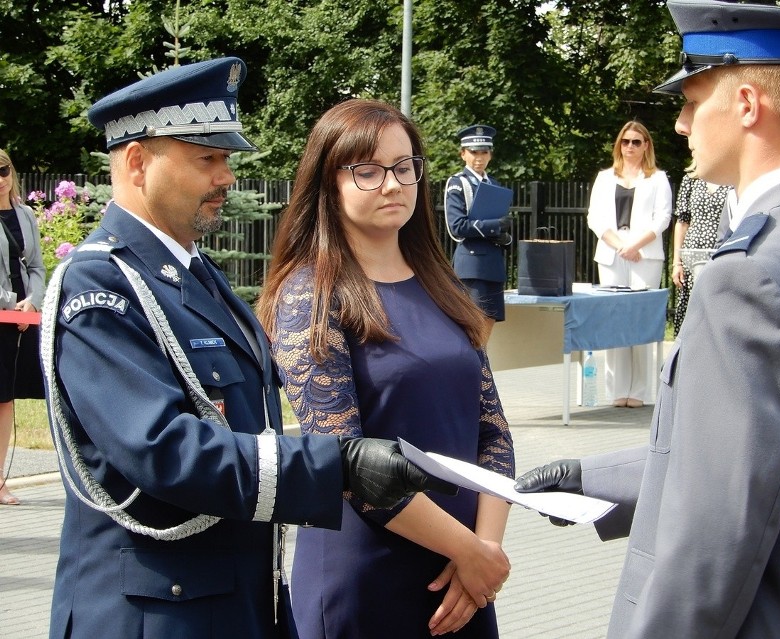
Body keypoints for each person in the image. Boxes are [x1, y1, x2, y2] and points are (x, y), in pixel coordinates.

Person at [42, 58, 454, 639]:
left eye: (227, 159)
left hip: (231, 605)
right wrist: (339, 464)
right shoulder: (101, 287)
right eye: (206, 159)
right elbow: (163, 448)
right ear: (137, 162)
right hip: (149, 615)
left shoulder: (200, 280)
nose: (227, 178)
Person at [515, 1, 780, 637]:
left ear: (747, 104)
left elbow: (715, 534)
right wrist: (589, 477)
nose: (681, 123)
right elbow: (770, 459)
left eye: (693, 100)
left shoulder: (745, 277)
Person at [255, 100, 515, 638]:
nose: (392, 184)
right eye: (368, 171)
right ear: (329, 183)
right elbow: (346, 462)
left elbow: (493, 434)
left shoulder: (442, 286)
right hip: (366, 576)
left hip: (458, 581)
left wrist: (484, 551)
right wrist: (469, 551)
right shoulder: (311, 294)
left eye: (404, 167)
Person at [586, 121, 672, 408]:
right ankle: (617, 389)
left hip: (644, 255)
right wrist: (620, 245)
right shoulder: (604, 177)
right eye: (626, 141)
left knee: (641, 321)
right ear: (619, 145)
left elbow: (662, 218)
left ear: (646, 145)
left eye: (637, 141)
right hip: (612, 254)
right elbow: (594, 218)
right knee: (615, 322)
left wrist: (635, 245)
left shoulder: (658, 178)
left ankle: (641, 390)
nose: (631, 147)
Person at [0, 148, 46, 506]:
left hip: (22, 319)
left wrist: (31, 300)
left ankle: (0, 481)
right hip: (4, 313)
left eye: (3, 170)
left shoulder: (26, 214)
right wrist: (7, 303)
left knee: (6, 400)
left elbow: (36, 266)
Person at [444, 124, 513, 342]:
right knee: (472, 329)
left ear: (490, 154)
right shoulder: (458, 183)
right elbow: (456, 227)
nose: (479, 158)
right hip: (471, 266)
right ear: (463, 153)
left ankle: (481, 373)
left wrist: (504, 235)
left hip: (493, 264)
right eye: (474, 152)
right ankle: (473, 374)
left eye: (484, 152)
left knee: (488, 327)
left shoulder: (493, 184)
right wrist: (494, 226)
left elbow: (498, 226)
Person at [670, 162, 732, 335]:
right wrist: (677, 263)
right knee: (692, 309)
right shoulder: (690, 180)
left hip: (720, 250)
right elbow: (682, 223)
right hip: (692, 254)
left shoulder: (732, 179)